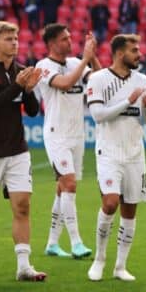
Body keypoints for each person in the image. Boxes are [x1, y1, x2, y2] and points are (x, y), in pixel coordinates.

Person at [0, 21, 47, 283]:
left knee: (22, 205)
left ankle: (24, 265)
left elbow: (34, 111)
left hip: (17, 148)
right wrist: (16, 86)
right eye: (8, 38)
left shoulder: (21, 70)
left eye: (16, 38)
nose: (14, 42)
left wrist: (28, 91)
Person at [85, 34, 146, 282]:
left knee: (130, 209)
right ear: (118, 53)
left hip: (135, 154)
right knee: (111, 202)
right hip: (109, 153)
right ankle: (99, 259)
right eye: (134, 50)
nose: (139, 54)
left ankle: (120, 266)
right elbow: (98, 116)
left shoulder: (143, 79)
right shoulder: (98, 79)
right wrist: (128, 99)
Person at [35, 24, 98, 260]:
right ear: (51, 43)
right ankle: (76, 242)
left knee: (63, 188)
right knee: (70, 184)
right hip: (56, 135)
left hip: (77, 135)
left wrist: (93, 56)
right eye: (64, 39)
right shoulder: (43, 66)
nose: (70, 42)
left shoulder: (75, 63)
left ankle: (52, 243)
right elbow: (64, 84)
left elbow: (98, 79)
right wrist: (85, 60)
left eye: (70, 37)